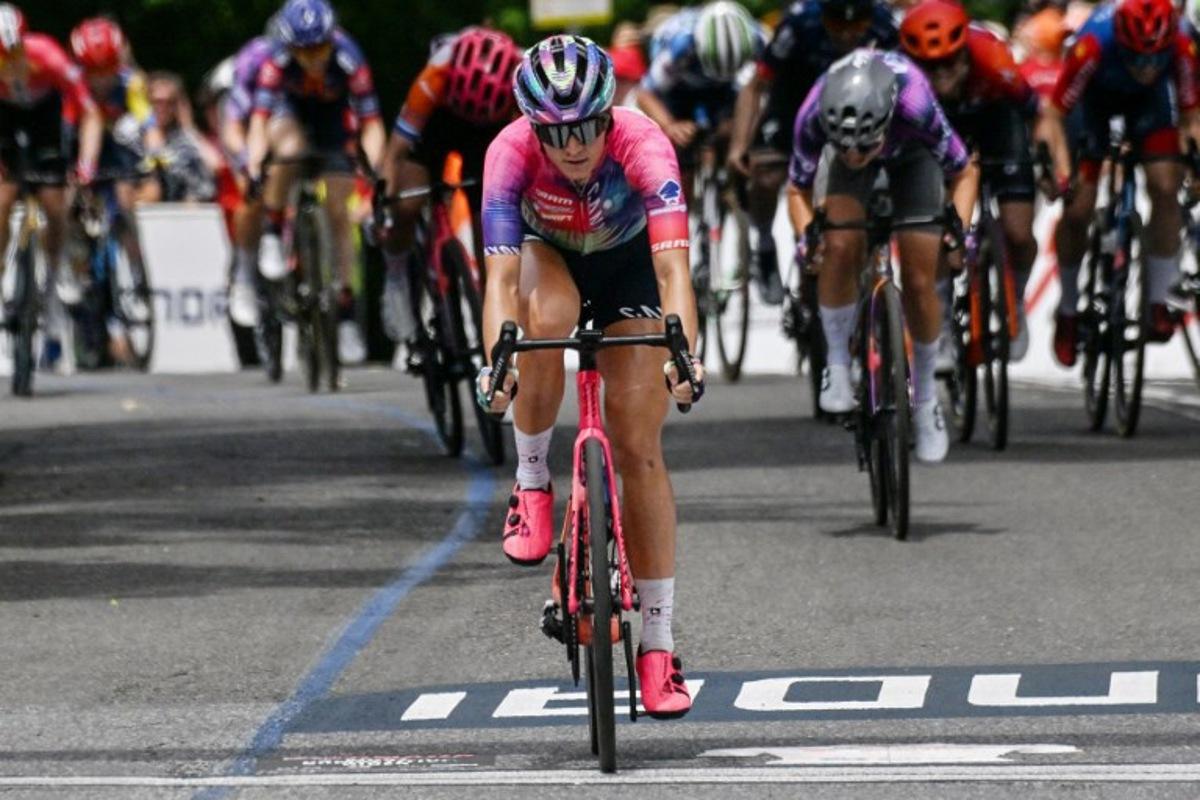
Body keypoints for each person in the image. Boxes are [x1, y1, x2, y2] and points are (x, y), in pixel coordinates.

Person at [477, 35, 702, 718]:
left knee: (638, 445)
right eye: (555, 133)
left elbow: (672, 271)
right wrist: (498, 365)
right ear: (533, 128)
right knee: (544, 318)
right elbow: (500, 282)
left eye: (585, 128)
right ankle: (532, 479)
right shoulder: (508, 153)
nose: (572, 146)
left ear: (608, 115)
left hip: (630, 264)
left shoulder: (645, 144)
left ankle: (658, 643)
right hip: (549, 257)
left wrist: (684, 357)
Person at [788, 49, 978, 463]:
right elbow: (797, 190)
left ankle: (926, 399)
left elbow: (965, 172)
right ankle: (837, 365)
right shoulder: (814, 113)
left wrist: (959, 233)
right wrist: (807, 240)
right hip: (848, 173)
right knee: (839, 244)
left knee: (920, 275)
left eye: (866, 146)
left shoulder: (915, 103)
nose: (856, 155)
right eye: (847, 147)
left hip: (913, 155)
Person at [1036, 0, 1200, 366]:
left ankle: (1157, 300)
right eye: (1136, 57)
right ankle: (1067, 310)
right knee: (1077, 208)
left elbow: (1192, 119)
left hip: (1151, 103)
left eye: (1153, 58)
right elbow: (1053, 116)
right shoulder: (1092, 43)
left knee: (1165, 186)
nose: (1145, 67)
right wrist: (1061, 171)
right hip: (1093, 103)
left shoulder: (1182, 43)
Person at [727, 0, 898, 305]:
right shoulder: (797, 24)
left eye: (857, 23)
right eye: (836, 22)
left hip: (857, 108)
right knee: (765, 173)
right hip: (794, 104)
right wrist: (739, 146)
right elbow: (756, 85)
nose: (846, 33)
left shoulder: (885, 24)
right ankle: (764, 244)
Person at [900, 0, 1043, 363]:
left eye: (949, 63)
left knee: (1019, 232)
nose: (941, 75)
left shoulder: (993, 58)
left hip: (996, 120)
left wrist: (1049, 162)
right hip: (936, 129)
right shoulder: (901, 74)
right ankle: (943, 321)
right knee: (934, 228)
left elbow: (1037, 113)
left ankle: (1016, 301)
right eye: (930, 67)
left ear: (965, 54)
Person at [246, 0, 387, 366]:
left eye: (320, 49)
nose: (313, 59)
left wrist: (373, 171)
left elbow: (372, 124)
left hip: (331, 119)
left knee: (339, 210)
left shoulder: (349, 58)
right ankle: (273, 228)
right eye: (304, 51)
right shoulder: (276, 61)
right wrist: (255, 164)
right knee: (289, 151)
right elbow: (259, 121)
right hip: (289, 115)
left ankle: (345, 311)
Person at [379, 25, 523, 364]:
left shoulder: (523, 78)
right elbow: (396, 151)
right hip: (437, 123)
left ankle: (496, 339)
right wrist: (386, 197)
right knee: (407, 204)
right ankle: (397, 273)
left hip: (490, 133)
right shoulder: (435, 75)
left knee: (493, 237)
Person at [0, 3, 102, 319]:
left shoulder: (47, 54)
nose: (10, 63)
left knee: (55, 204)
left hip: (44, 119)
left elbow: (90, 112)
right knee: (2, 198)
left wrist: (86, 165)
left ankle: (56, 267)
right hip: (4, 118)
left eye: (15, 53)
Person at [635, 1, 765, 203]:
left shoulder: (758, 39)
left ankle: (731, 185)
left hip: (727, 88)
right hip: (679, 87)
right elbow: (645, 94)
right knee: (680, 145)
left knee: (734, 132)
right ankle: (679, 204)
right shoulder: (681, 45)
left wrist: (740, 143)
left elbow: (756, 93)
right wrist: (670, 126)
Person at [221, 16, 283, 329]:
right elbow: (233, 125)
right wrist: (249, 161)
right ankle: (244, 273)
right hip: (249, 130)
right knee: (252, 191)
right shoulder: (253, 60)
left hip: (288, 128)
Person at [144, 72, 219, 203]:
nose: (162, 108)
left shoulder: (183, 137)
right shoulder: (131, 133)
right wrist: (152, 128)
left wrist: (188, 127)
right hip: (143, 208)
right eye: (157, 102)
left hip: (186, 208)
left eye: (169, 103)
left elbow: (215, 165)